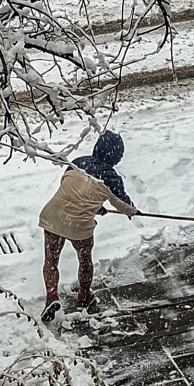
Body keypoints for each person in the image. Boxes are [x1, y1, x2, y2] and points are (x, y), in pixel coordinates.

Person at [37, 130, 139, 323]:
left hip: (54, 216)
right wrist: (133, 211)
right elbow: (123, 206)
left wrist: (96, 205)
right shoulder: (112, 178)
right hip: (79, 226)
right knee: (85, 260)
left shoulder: (77, 162)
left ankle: (51, 296)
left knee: (51, 260)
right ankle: (84, 296)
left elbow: (70, 187)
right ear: (115, 155)